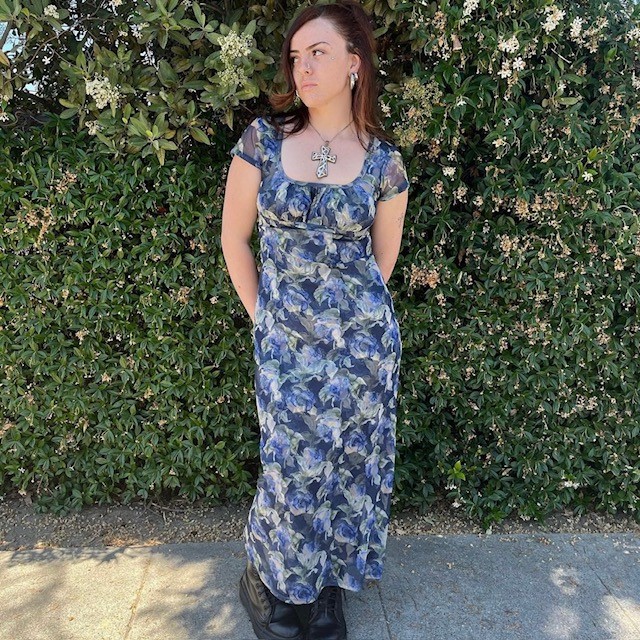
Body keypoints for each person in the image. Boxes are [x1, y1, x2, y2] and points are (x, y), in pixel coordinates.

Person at [221, 1, 409, 638]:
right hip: (285, 345)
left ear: (354, 63)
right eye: (297, 56)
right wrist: (266, 320)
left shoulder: (384, 161)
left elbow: (382, 261)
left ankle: (326, 588)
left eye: (319, 52)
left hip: (363, 350)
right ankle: (270, 582)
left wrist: (346, 326)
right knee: (291, 464)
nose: (303, 66)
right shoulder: (262, 142)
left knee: (349, 463)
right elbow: (234, 239)